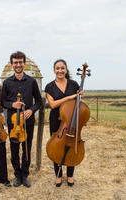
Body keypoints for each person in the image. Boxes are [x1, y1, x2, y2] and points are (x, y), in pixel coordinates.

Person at [1, 51, 42, 187]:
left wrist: (31, 110)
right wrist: (12, 104)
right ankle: (17, 175)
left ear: (24, 63)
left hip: (28, 121)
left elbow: (39, 101)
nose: (18, 64)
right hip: (13, 122)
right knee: (14, 149)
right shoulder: (7, 82)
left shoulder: (31, 82)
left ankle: (25, 175)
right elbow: (3, 102)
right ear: (12, 64)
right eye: (15, 62)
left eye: (20, 62)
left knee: (26, 148)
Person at [45, 59, 83, 187]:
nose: (60, 70)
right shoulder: (49, 86)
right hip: (56, 120)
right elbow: (53, 104)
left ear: (66, 70)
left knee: (72, 145)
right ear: (54, 70)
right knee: (56, 146)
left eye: (62, 68)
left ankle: (70, 175)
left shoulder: (74, 84)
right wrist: (69, 97)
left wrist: (79, 96)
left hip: (72, 119)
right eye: (57, 68)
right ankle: (59, 175)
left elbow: (78, 102)